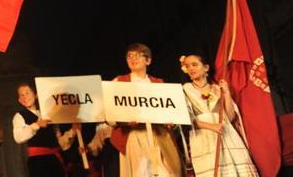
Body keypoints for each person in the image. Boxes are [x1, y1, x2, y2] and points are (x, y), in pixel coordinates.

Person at [109, 43, 182, 177]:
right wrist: (123, 121)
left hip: (157, 135)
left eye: (137, 55)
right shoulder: (118, 82)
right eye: (129, 56)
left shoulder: (158, 83)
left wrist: (170, 121)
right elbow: (109, 115)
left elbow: (170, 111)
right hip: (134, 135)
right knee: (140, 172)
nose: (133, 59)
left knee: (164, 172)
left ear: (148, 60)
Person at [179, 54, 258, 176]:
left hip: (226, 135)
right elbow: (187, 118)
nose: (191, 69)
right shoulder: (185, 90)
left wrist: (226, 93)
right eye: (187, 66)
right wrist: (212, 127)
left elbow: (230, 117)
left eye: (194, 64)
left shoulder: (217, 88)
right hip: (203, 137)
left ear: (206, 67)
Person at [12, 82, 78, 177]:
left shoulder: (47, 114)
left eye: (27, 93)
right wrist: (36, 125)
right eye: (21, 95)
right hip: (38, 162)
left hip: (55, 160)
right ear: (19, 100)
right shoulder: (19, 116)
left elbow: (60, 143)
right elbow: (18, 137)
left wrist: (73, 131)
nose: (25, 96)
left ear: (36, 95)